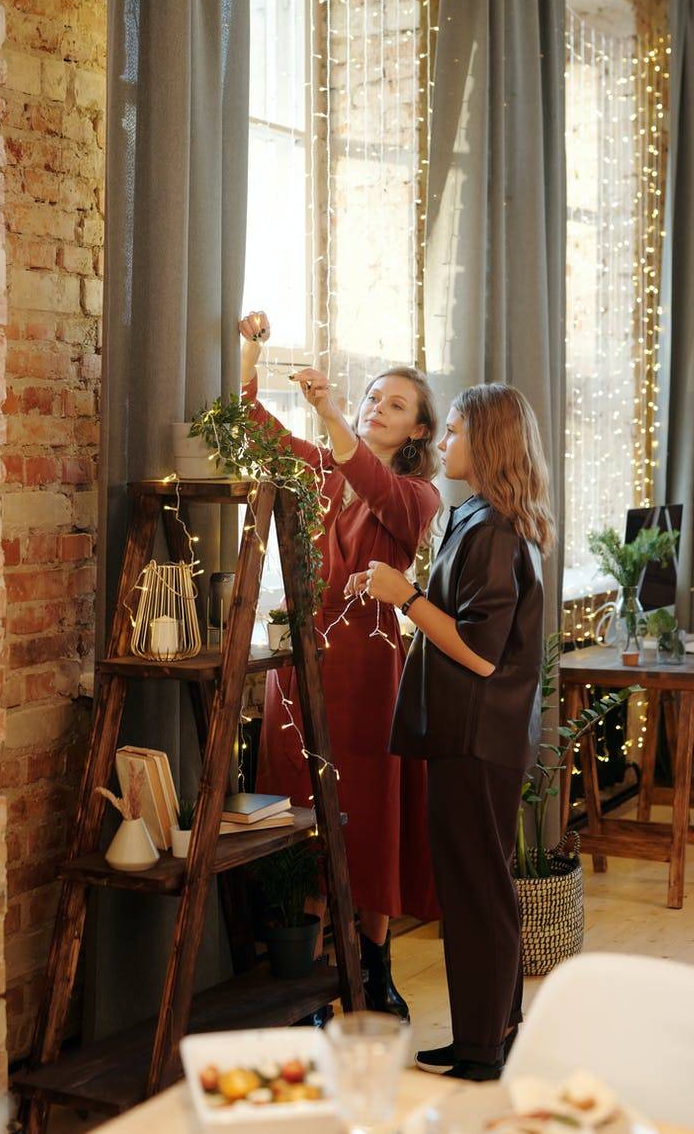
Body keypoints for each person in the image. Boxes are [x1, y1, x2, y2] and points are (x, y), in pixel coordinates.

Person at [238, 311, 441, 1020]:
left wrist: (328, 414)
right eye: (371, 397)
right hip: (298, 665)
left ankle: (374, 970)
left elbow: (373, 484)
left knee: (369, 813)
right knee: (297, 810)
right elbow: (252, 425)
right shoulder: (317, 468)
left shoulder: (417, 495)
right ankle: (313, 972)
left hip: (369, 675)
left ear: (418, 431)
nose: (375, 408)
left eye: (395, 404)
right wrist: (248, 350)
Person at [357, 383, 553, 1080]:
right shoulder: (481, 517)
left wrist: (403, 595)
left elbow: (478, 650)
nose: (442, 443)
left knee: (478, 893)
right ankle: (486, 1035)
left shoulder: (495, 529)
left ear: (486, 443)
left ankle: (485, 1047)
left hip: (477, 739)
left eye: (455, 433)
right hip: (469, 736)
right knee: (475, 892)